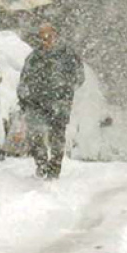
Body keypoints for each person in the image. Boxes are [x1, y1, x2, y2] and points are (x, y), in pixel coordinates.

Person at [16, 22, 84, 180]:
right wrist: (24, 98)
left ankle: (54, 169)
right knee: (35, 134)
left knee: (57, 137)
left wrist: (65, 88)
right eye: (42, 36)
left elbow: (79, 77)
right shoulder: (34, 57)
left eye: (49, 35)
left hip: (59, 103)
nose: (46, 39)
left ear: (56, 35)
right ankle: (41, 165)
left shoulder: (68, 55)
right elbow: (24, 79)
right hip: (36, 103)